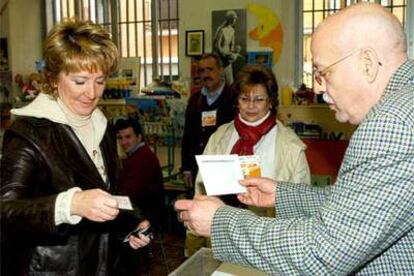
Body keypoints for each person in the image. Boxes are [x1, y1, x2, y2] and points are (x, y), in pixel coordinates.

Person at [175, 3, 414, 275]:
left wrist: (220, 222)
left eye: (323, 73)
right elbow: (359, 203)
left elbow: (322, 252)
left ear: (367, 63)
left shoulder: (391, 124)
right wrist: (283, 194)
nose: (318, 88)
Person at [0, 19, 151, 275]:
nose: (92, 93)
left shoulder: (100, 125)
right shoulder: (29, 133)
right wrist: (70, 204)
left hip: (103, 264)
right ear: (54, 78)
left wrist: (128, 227)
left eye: (100, 81)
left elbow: (107, 195)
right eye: (80, 81)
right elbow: (5, 212)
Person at [186, 64, 311, 256]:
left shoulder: (291, 147)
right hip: (221, 238)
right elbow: (201, 189)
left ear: (270, 102)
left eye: (259, 99)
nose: (251, 106)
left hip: (269, 244)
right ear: (237, 101)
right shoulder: (219, 137)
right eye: (244, 99)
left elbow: (302, 205)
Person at [114, 118, 166, 275]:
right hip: (140, 216)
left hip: (143, 219)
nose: (124, 142)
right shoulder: (138, 155)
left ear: (139, 137)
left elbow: (130, 193)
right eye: (120, 138)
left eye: (128, 137)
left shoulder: (142, 158)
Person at [181, 53, 235, 192]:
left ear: (221, 70)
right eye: (201, 71)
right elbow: (188, 136)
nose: (205, 74)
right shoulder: (194, 100)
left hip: (224, 169)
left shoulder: (233, 98)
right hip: (197, 169)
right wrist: (186, 168)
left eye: (210, 69)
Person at [213, 10, 239, 85]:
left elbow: (232, 44)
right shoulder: (222, 30)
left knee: (229, 80)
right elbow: (217, 45)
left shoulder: (232, 30)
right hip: (221, 56)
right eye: (234, 19)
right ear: (230, 19)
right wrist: (223, 54)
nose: (235, 20)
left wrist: (232, 53)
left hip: (227, 56)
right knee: (221, 80)